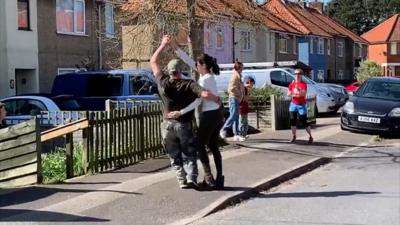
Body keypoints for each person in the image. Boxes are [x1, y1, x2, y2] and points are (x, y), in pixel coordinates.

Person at [150, 35, 219, 189]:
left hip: (167, 125)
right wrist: (217, 99)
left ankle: (181, 180)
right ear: (180, 71)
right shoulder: (189, 84)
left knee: (174, 154)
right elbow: (205, 94)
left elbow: (153, 61)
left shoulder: (162, 82)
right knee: (189, 152)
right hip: (184, 124)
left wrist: (162, 45)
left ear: (169, 71)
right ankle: (191, 178)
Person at [168, 53, 225, 190]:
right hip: (218, 113)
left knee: (199, 146)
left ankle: (209, 179)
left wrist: (180, 112)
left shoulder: (203, 81)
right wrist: (175, 48)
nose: (195, 67)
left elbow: (197, 101)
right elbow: (190, 62)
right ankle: (219, 178)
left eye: (198, 65)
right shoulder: (209, 76)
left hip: (209, 115)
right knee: (213, 146)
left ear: (203, 66)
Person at [220, 61, 245, 142]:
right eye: (242, 67)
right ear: (239, 68)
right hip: (234, 98)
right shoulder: (235, 76)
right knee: (233, 115)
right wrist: (239, 93)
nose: (243, 69)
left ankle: (236, 134)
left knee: (236, 117)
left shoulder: (238, 76)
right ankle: (223, 129)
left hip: (236, 99)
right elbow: (231, 89)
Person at [288, 69, 313, 144]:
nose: (297, 75)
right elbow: (288, 94)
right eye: (295, 74)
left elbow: (303, 94)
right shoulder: (291, 84)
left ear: (301, 75)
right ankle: (294, 136)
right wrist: (294, 92)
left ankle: (310, 136)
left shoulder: (303, 84)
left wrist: (297, 92)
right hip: (293, 104)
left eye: (299, 74)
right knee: (292, 120)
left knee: (304, 121)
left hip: (301, 105)